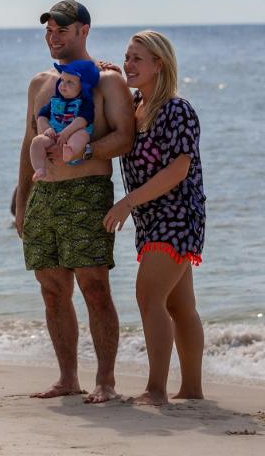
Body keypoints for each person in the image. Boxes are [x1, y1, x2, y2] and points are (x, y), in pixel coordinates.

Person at [16, 0, 135, 403]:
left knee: (95, 287)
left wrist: (85, 152)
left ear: (84, 31)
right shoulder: (39, 83)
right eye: (49, 30)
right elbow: (25, 144)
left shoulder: (107, 81)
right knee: (51, 289)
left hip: (87, 192)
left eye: (62, 30)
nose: (54, 36)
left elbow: (124, 136)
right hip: (44, 196)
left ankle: (106, 381)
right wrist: (21, 201)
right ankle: (68, 378)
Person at [103, 30, 206, 405]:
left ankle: (156, 390)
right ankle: (192, 391)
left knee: (148, 297)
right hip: (151, 218)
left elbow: (179, 168)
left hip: (178, 214)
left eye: (136, 59)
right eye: (126, 57)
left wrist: (127, 202)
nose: (128, 64)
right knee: (179, 306)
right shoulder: (135, 106)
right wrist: (107, 74)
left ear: (158, 65)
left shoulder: (177, 110)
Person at [30, 60, 100, 181]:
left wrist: (66, 133)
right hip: (55, 136)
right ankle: (40, 169)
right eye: (62, 80)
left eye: (70, 82)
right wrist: (46, 130)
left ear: (83, 86)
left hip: (73, 136)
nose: (63, 85)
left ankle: (70, 152)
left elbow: (82, 120)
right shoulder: (54, 101)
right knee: (36, 141)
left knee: (82, 135)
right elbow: (41, 116)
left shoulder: (84, 103)